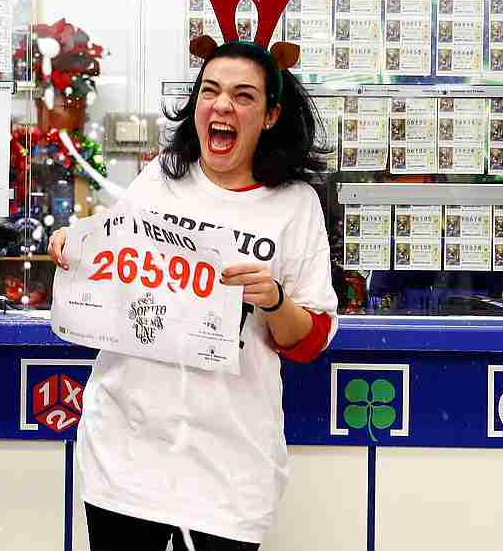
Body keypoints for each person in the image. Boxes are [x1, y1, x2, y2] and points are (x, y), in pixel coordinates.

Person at [49, 40, 338, 550]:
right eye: (211, 91)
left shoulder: (295, 204)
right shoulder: (161, 179)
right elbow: (114, 272)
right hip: (126, 451)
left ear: (270, 115)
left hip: (230, 465)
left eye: (243, 96)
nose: (222, 105)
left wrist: (273, 299)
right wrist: (76, 250)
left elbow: (310, 340)